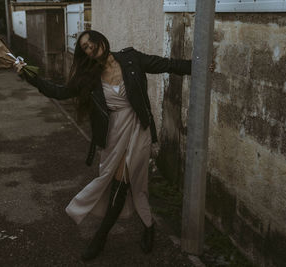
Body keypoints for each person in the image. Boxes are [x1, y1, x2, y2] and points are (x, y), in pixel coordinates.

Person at [15, 30, 191, 261]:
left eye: (92, 42)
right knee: (136, 186)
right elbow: (58, 91)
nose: (90, 48)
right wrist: (28, 74)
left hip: (139, 128)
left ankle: (99, 239)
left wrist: (197, 65)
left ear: (102, 40)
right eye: (85, 47)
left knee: (122, 179)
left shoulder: (131, 59)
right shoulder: (88, 77)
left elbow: (166, 64)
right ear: (84, 53)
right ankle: (149, 226)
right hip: (114, 133)